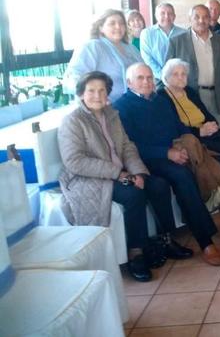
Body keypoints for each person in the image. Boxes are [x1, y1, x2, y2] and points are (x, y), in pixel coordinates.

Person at [114, 64, 220, 266]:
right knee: (183, 177)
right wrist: (167, 153)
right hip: (151, 160)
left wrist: (187, 143)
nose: (146, 82)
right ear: (129, 83)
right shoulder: (122, 107)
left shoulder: (159, 100)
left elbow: (179, 126)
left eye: (148, 77)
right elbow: (131, 146)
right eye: (140, 78)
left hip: (179, 149)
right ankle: (206, 241)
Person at [58, 71, 192, 282]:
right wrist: (119, 174)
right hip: (93, 178)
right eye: (91, 90)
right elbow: (75, 162)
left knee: (158, 185)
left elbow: (126, 146)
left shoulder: (111, 115)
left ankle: (165, 239)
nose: (97, 95)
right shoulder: (73, 121)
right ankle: (136, 253)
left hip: (123, 172)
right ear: (81, 93)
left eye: (102, 90)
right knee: (133, 195)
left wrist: (138, 171)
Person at [158, 58, 220, 204]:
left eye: (183, 74)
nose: (181, 77)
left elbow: (205, 112)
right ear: (166, 78)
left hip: (206, 131)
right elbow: (174, 126)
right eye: (176, 74)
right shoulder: (162, 97)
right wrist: (199, 132)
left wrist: (213, 124)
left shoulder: (189, 91)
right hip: (191, 138)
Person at [166, 4, 220, 137]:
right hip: (190, 96)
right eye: (196, 17)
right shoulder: (177, 41)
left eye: (205, 17)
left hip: (218, 97)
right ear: (189, 19)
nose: (201, 20)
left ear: (210, 19)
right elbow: (168, 73)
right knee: (196, 136)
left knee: (219, 136)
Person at [65, 9, 143, 103]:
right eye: (112, 23)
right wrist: (93, 97)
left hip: (134, 105)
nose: (118, 26)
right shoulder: (92, 47)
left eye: (121, 23)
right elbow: (73, 76)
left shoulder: (131, 48)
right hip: (105, 109)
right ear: (101, 27)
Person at [140, 2, 187, 81]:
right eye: (162, 13)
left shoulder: (184, 33)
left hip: (179, 79)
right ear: (156, 16)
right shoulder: (147, 33)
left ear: (174, 16)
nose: (166, 16)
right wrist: (163, 76)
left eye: (170, 13)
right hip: (156, 80)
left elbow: (186, 57)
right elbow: (147, 58)